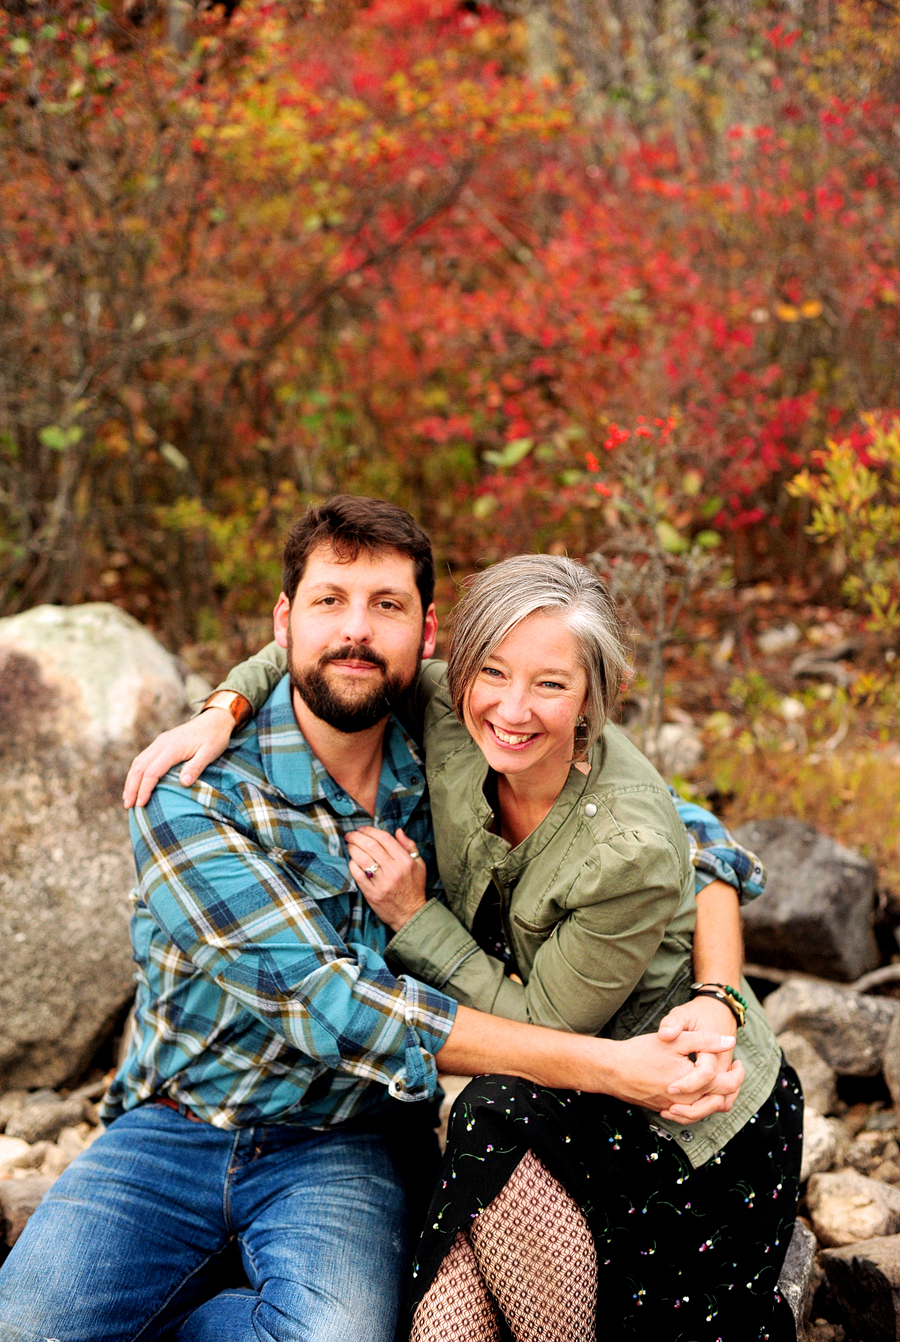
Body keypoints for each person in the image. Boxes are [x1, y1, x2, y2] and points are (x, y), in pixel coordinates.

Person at [0, 499, 741, 1342]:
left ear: (427, 635)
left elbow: (679, 829)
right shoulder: (191, 789)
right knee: (26, 1326)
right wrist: (610, 1066)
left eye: (385, 605)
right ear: (285, 623)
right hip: (177, 1128)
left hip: (349, 1141)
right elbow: (332, 1003)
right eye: (329, 601)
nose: (356, 630)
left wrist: (719, 990)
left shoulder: (465, 730)